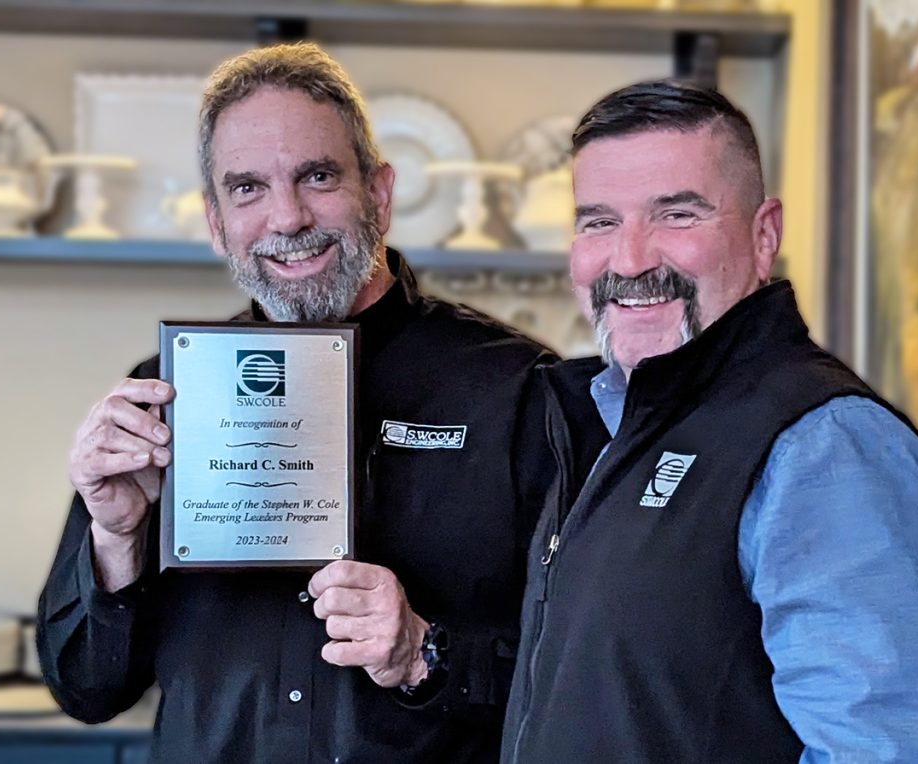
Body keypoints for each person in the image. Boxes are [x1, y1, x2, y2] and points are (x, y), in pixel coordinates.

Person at [37, 43, 554, 763]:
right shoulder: (166, 395)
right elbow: (84, 690)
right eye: (247, 188)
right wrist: (116, 541)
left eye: (317, 175)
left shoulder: (518, 388)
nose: (287, 217)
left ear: (378, 192)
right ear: (217, 224)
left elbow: (578, 678)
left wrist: (424, 654)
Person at [501, 80, 918, 763]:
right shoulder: (615, 421)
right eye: (599, 221)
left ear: (763, 235)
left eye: (677, 215)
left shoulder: (827, 446)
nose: (629, 261)